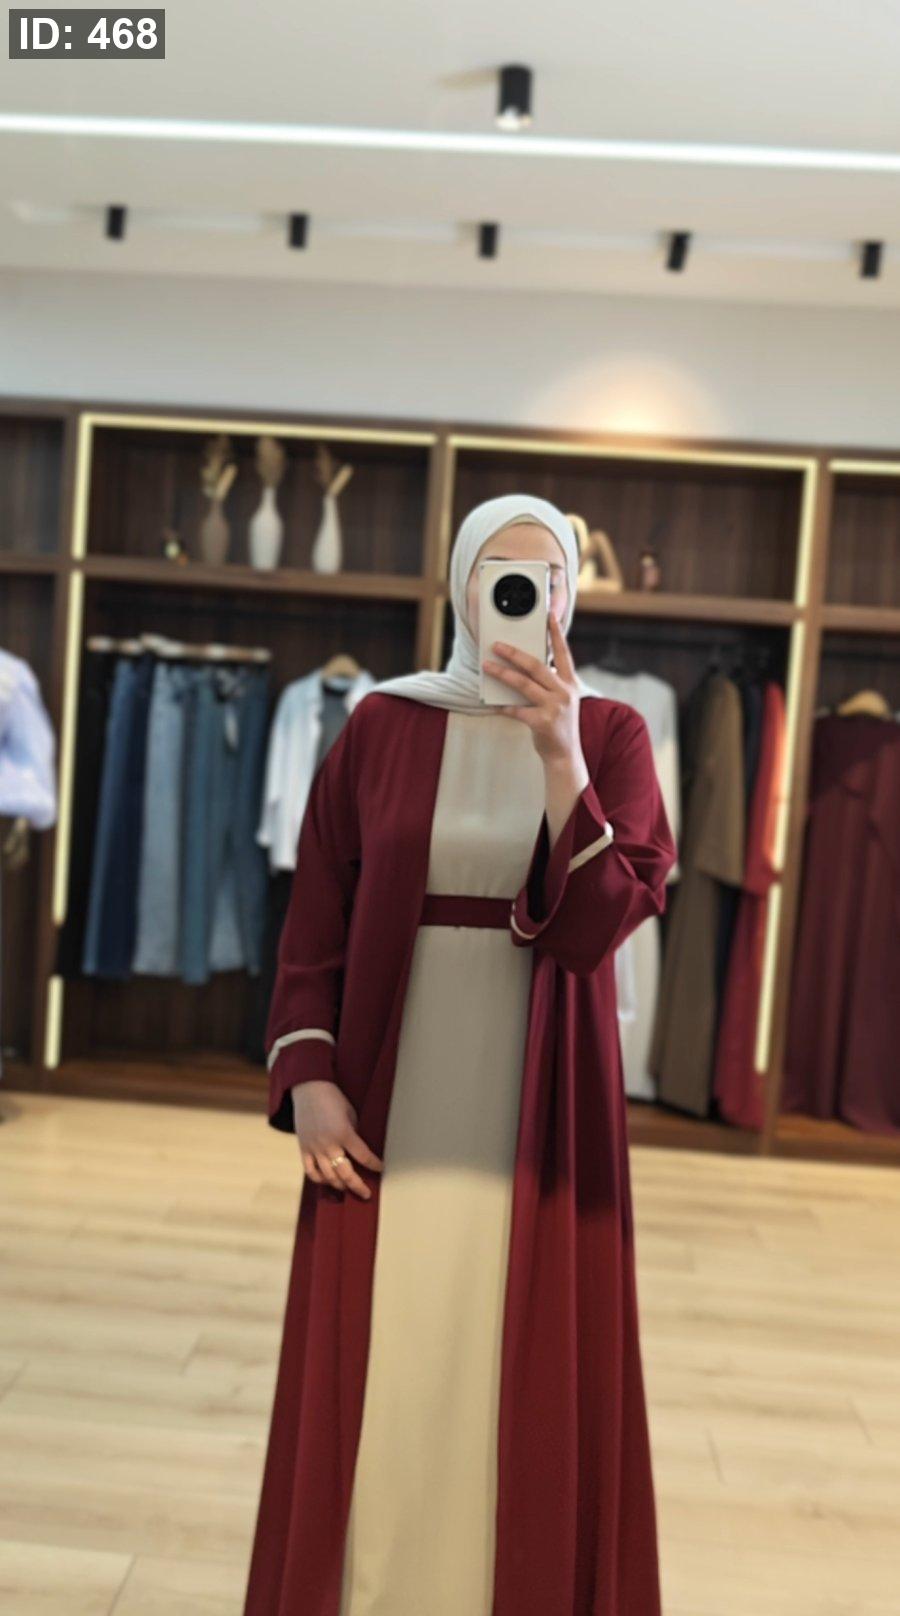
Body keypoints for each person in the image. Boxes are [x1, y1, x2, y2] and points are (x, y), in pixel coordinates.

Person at [242, 494, 677, 1616]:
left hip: (544, 1094)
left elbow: (598, 928)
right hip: (390, 1077)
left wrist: (558, 750)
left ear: (572, 595)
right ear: (462, 586)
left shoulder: (613, 735)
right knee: (386, 1342)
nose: (531, 597)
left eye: (551, 578)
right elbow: (316, 916)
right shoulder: (383, 722)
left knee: (516, 1341)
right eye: (505, 575)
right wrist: (309, 1076)